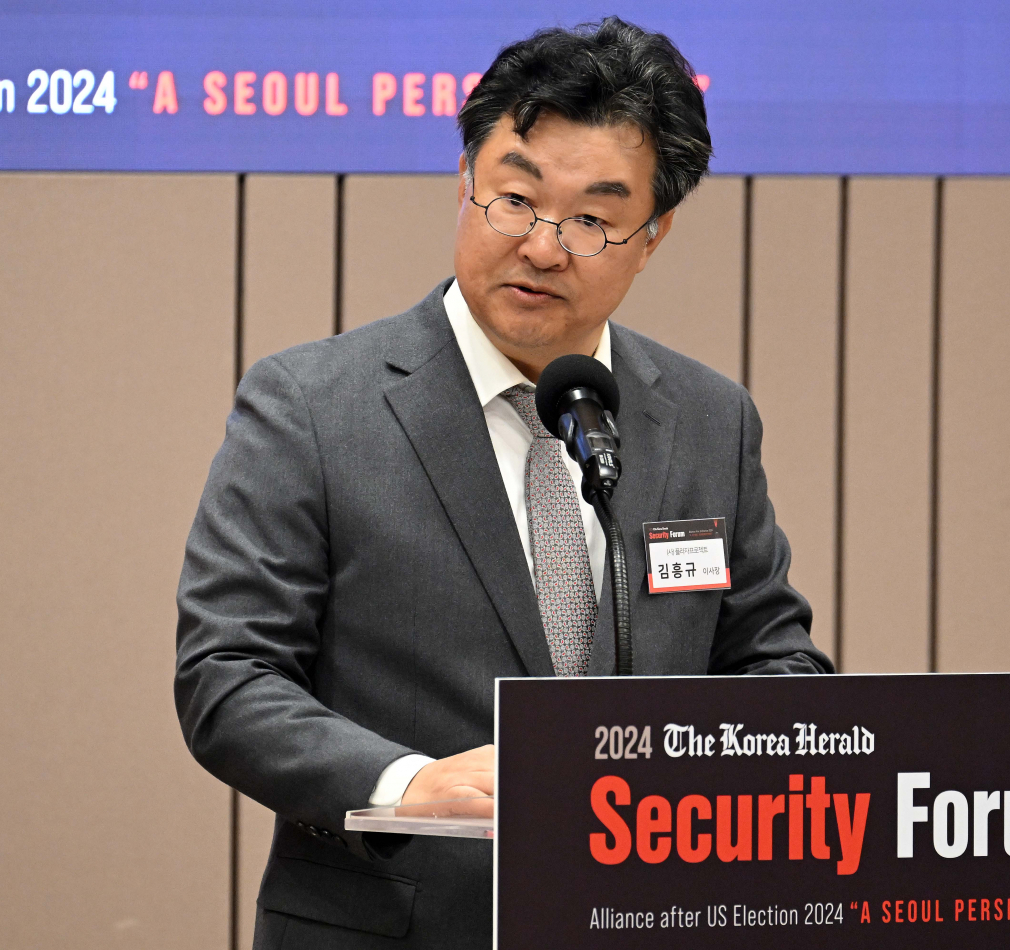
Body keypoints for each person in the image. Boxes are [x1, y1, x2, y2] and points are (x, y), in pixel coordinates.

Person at [175, 16, 832, 950]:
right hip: (398, 923)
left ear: (651, 237)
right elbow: (227, 676)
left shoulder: (706, 419)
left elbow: (774, 658)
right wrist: (408, 784)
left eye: (594, 219)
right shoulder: (313, 407)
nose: (542, 246)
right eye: (515, 199)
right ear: (465, 184)